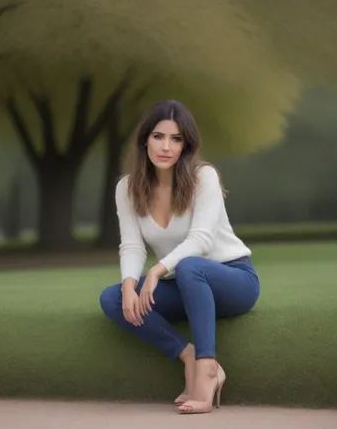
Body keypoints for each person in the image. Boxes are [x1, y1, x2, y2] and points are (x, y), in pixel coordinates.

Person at [99, 99, 260, 414]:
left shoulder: (204, 177)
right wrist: (130, 284)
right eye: (159, 136)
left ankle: (208, 367)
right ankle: (186, 354)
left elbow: (200, 240)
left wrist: (156, 271)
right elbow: (132, 245)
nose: (166, 146)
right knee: (114, 298)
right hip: (184, 283)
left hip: (233, 280)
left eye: (176, 139)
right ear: (145, 138)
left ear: (186, 145)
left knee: (189, 267)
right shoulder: (127, 188)